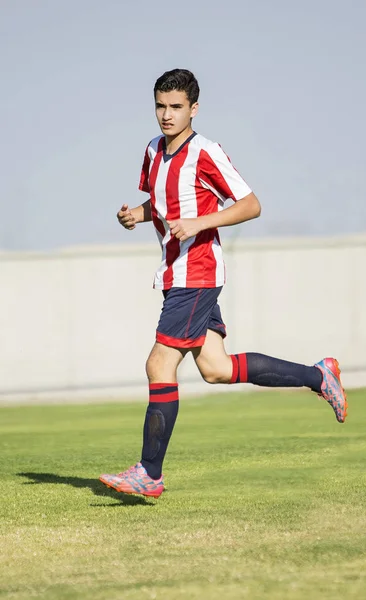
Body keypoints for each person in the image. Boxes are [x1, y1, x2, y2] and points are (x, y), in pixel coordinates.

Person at [99, 69, 347, 499]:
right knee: (216, 369)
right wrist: (135, 217)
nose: (166, 115)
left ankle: (149, 474)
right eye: (160, 105)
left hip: (198, 272)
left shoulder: (206, 152)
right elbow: (160, 205)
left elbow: (251, 205)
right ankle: (318, 375)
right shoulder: (153, 151)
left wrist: (200, 222)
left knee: (159, 364)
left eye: (176, 107)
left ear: (194, 108)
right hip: (175, 275)